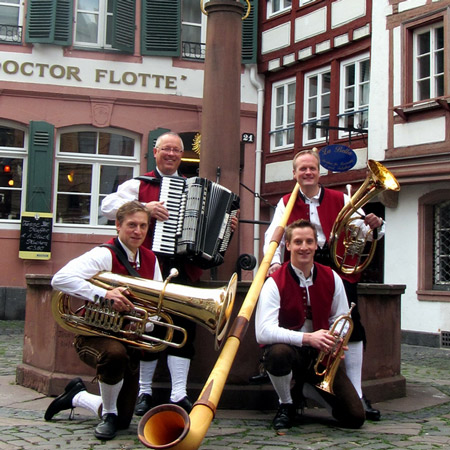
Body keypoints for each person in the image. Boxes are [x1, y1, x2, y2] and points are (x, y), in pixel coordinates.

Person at [263, 149, 383, 421]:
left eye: (312, 168)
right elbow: (275, 236)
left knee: (351, 325)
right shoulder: (286, 201)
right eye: (302, 169)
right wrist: (272, 264)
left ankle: (357, 392)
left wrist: (374, 225)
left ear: (320, 172)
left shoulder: (340, 198)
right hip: (300, 262)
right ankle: (293, 391)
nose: (307, 173)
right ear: (294, 174)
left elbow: (364, 230)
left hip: (337, 267)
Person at [45, 201, 162, 440]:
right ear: (118, 226)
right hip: (94, 336)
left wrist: (145, 324)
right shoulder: (103, 254)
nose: (137, 231)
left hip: (128, 340)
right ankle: (107, 414)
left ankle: (77, 396)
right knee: (114, 354)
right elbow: (60, 279)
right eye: (131, 225)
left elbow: (158, 308)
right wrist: (104, 294)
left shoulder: (151, 259)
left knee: (125, 420)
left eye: (142, 225)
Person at [100, 132, 199, 417]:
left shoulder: (192, 187)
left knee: (183, 326)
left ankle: (179, 394)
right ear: (155, 152)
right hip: (143, 264)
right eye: (166, 149)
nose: (170, 154)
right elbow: (106, 207)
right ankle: (144, 391)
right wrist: (144, 208)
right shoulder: (138, 184)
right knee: (149, 326)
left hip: (182, 266)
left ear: (182, 155)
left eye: (176, 150)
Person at [255, 219, 365, 430]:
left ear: (316, 244)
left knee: (354, 418)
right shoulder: (274, 282)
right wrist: (307, 338)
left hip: (320, 356)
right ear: (288, 246)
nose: (303, 247)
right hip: (290, 351)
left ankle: (307, 388)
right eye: (297, 242)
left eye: (308, 241)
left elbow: (341, 318)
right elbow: (262, 332)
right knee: (278, 354)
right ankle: (286, 404)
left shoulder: (332, 277)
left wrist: (336, 340)